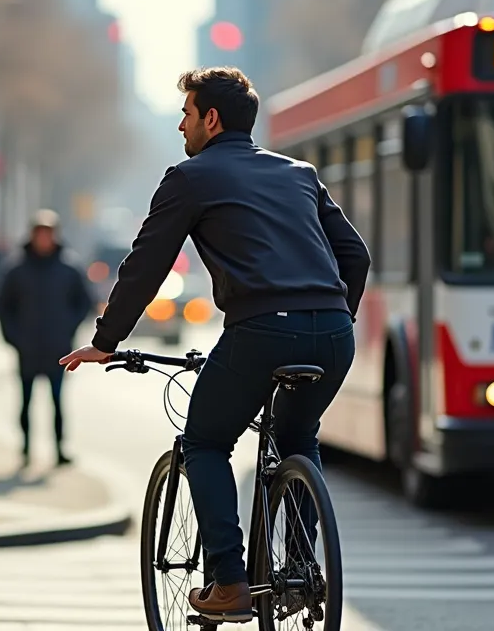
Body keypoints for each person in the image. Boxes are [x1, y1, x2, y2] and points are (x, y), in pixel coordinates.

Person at [60, 66, 371, 621]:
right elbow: (357, 256)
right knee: (299, 438)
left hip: (261, 329)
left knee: (205, 442)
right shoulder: (299, 173)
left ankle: (229, 583)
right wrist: (330, 318)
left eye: (185, 114)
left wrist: (107, 340)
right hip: (332, 331)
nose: (181, 126)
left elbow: (146, 266)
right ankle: (300, 570)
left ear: (211, 118)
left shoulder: (190, 177)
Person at [0, 210, 93, 467]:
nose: (44, 238)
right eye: (40, 233)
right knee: (25, 400)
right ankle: (26, 447)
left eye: (48, 233)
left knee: (57, 401)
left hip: (58, 349)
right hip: (27, 348)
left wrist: (69, 328)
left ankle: (60, 448)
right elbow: (3, 306)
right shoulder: (17, 269)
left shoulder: (69, 268)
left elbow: (84, 303)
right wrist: (13, 337)